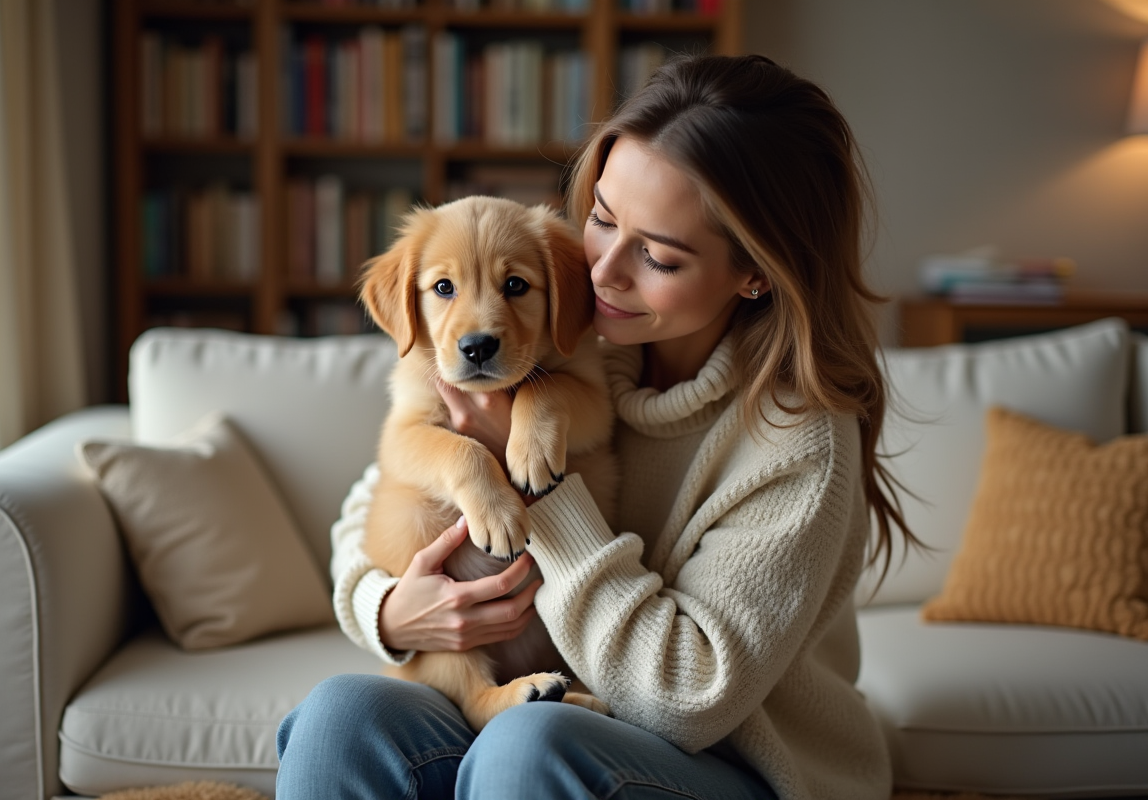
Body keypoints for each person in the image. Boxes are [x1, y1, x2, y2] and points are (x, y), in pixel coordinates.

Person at [275, 53, 918, 800]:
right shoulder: (575, 344)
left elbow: (688, 700)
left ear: (756, 272)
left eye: (656, 255)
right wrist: (389, 611)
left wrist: (540, 487)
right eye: (603, 220)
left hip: (737, 765)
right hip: (551, 703)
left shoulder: (797, 440)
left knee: (529, 745)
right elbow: (379, 496)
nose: (601, 270)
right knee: (340, 714)